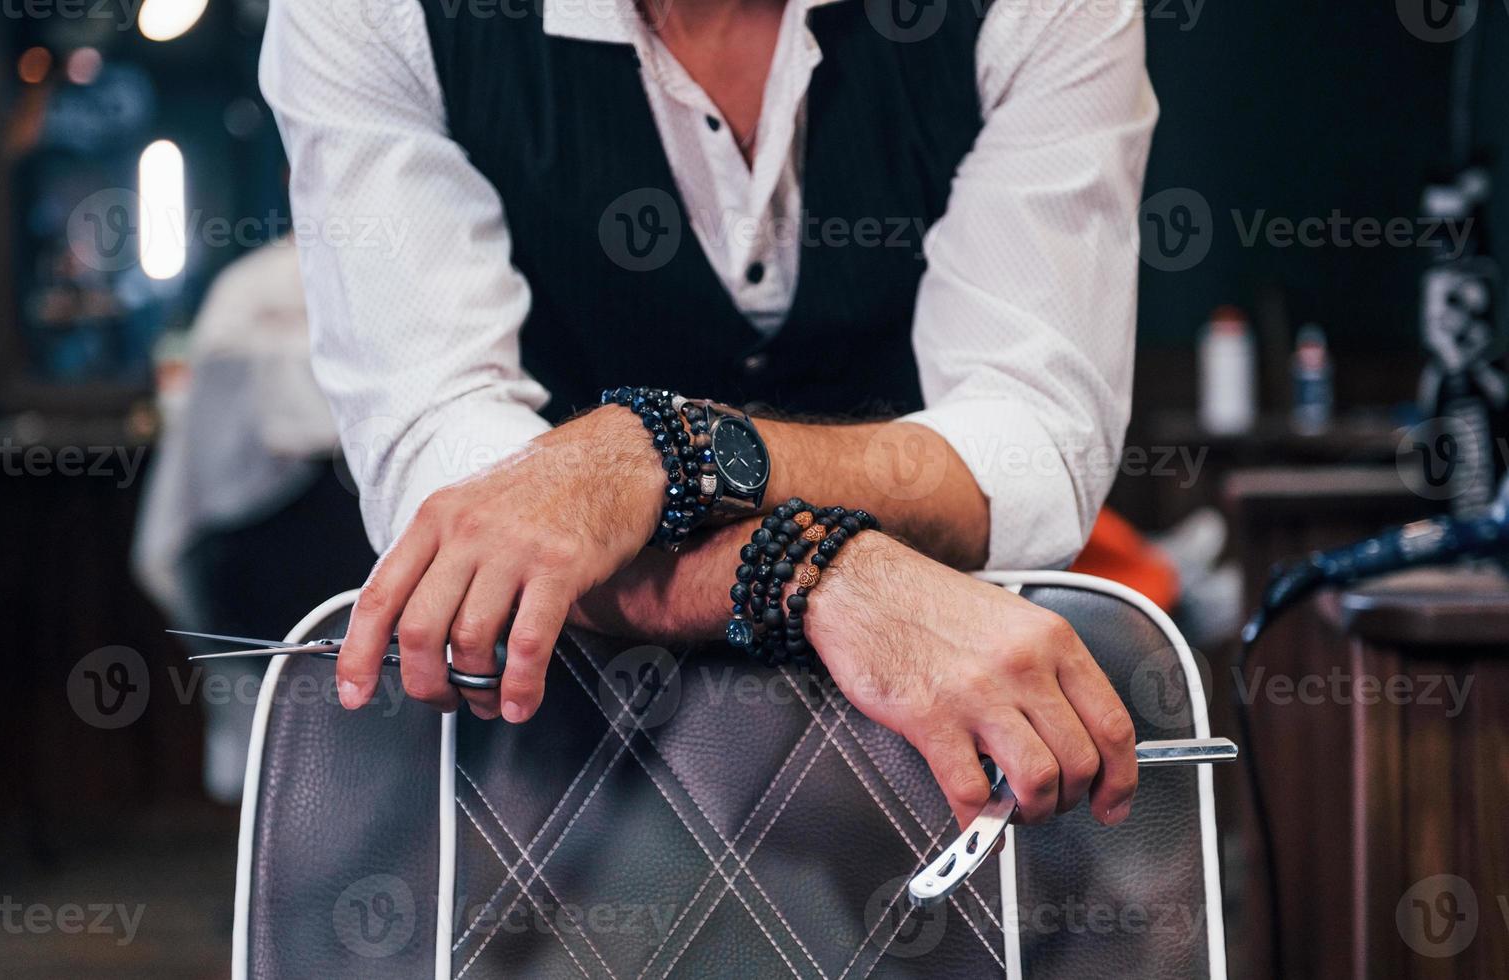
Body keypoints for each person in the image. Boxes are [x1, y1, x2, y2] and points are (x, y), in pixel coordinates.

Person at [261, 0, 1157, 830]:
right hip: (561, 775)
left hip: (951, 763)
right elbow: (457, 484)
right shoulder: (374, 13)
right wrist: (811, 573)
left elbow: (1033, 445)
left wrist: (654, 454)